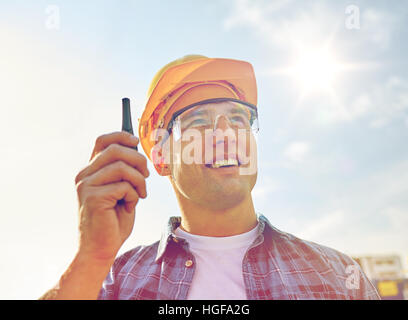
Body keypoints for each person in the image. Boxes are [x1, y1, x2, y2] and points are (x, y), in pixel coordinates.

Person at [40, 55, 380, 300]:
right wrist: (93, 256)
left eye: (238, 119)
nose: (225, 133)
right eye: (199, 121)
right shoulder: (115, 284)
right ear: (160, 157)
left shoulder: (336, 276)